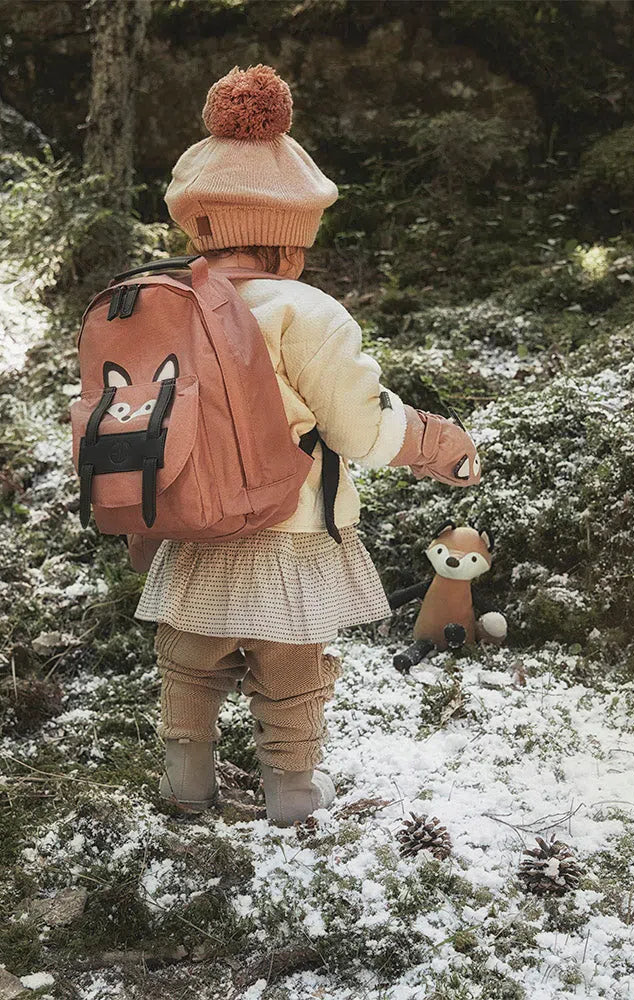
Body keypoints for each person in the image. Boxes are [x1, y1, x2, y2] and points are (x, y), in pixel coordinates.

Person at [133, 64, 481, 826]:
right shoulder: (303, 311)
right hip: (285, 528)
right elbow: (359, 425)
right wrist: (430, 442)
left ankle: (187, 781)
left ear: (200, 225)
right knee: (291, 667)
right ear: (292, 238)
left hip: (188, 527)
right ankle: (291, 789)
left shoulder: (160, 305)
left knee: (189, 664)